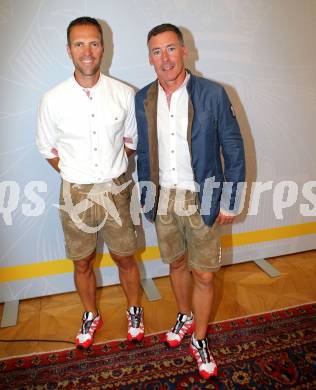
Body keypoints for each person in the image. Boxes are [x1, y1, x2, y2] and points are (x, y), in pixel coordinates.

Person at [135, 23, 245, 379]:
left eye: (170, 49)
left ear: (184, 51)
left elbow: (233, 149)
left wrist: (230, 200)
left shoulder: (213, 93)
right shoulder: (144, 98)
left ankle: (199, 338)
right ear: (150, 57)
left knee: (205, 275)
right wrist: (147, 196)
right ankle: (184, 315)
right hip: (164, 196)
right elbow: (144, 153)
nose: (164, 58)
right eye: (156, 51)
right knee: (177, 264)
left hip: (204, 197)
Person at [36, 16, 144, 349]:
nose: (88, 51)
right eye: (79, 44)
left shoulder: (125, 94)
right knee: (82, 261)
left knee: (125, 257)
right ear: (69, 50)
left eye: (94, 43)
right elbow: (47, 149)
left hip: (116, 189)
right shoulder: (52, 99)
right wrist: (78, 176)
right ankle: (90, 313)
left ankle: (134, 309)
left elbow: (131, 142)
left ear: (103, 48)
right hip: (75, 192)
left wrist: (108, 175)